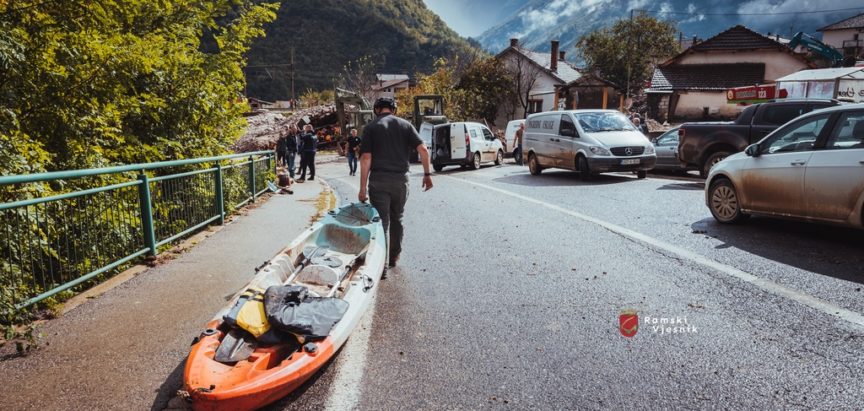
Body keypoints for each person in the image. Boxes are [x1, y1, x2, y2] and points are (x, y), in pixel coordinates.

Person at [358, 97, 433, 269]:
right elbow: (423, 149)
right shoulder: (405, 125)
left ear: (377, 110)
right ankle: (393, 257)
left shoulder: (371, 128)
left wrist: (362, 188)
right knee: (397, 218)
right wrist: (427, 174)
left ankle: (381, 266)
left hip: (379, 181)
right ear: (394, 109)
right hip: (400, 180)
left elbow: (366, 158)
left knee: (382, 223)